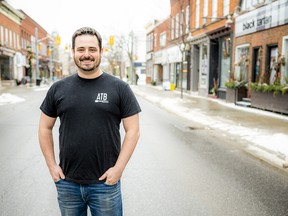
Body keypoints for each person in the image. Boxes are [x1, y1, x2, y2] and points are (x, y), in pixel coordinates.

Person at [38, 27, 141, 216]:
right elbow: (45, 127)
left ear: (101, 52)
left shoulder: (120, 88)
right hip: (67, 184)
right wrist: (52, 166)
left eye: (92, 50)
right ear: (73, 52)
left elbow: (133, 130)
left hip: (105, 185)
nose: (87, 55)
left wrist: (118, 170)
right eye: (81, 49)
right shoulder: (58, 89)